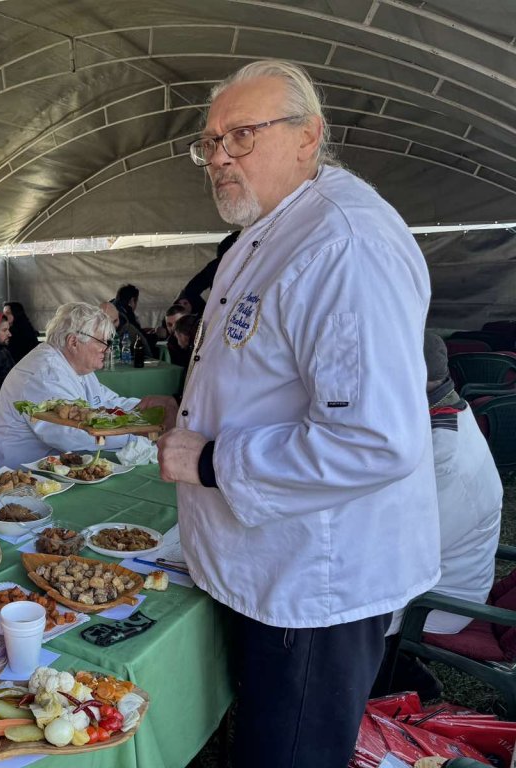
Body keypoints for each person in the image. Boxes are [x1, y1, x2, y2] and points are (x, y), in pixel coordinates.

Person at [156, 60, 440, 767]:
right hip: (271, 565)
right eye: (210, 142)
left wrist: (210, 460)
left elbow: (374, 439)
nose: (219, 157)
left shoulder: (344, 243)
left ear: (308, 136)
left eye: (241, 135)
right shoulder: (277, 225)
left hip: (314, 581)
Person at [373, 332, 504, 699]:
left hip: (442, 598)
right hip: (445, 569)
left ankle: (398, 684)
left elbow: (405, 552)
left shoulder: (444, 455)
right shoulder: (449, 413)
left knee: (344, 609)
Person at [0, 302, 176, 471]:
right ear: (73, 342)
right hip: (15, 475)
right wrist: (137, 433)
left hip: (52, 468)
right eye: (102, 341)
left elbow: (107, 402)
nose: (107, 348)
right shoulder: (45, 373)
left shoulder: (74, 366)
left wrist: (148, 410)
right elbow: (72, 435)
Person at [177, 230, 241, 315]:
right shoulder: (216, 266)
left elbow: (191, 289)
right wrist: (204, 312)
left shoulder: (216, 265)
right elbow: (191, 290)